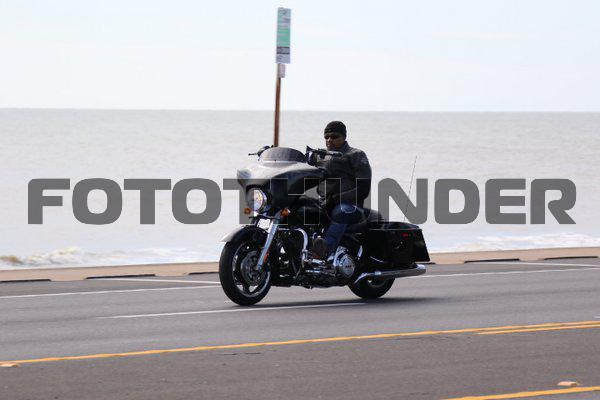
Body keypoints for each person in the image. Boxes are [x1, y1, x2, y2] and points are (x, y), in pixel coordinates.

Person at [311, 121, 372, 260]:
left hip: (350, 206)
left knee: (340, 212)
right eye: (326, 137)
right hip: (324, 202)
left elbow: (363, 190)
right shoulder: (320, 155)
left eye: (334, 137)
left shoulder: (356, 155)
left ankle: (324, 253)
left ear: (344, 137)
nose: (329, 140)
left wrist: (335, 199)